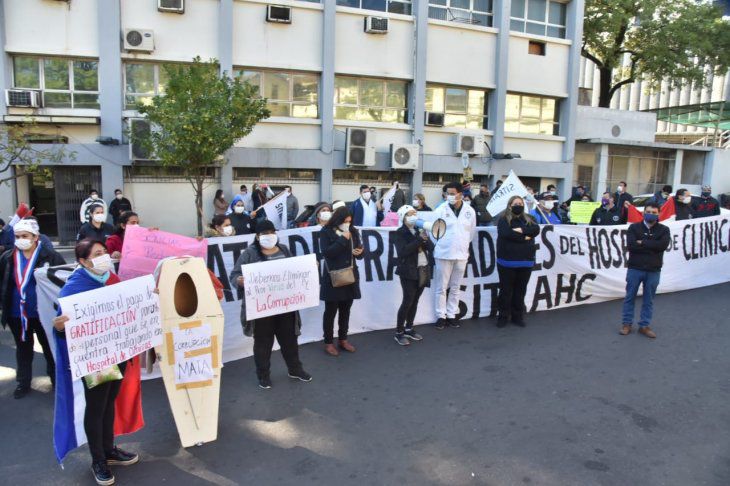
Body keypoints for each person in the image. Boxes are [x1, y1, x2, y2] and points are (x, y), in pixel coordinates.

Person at [52, 240, 140, 485]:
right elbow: (63, 327)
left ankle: (109, 450)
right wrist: (60, 327)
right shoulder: (74, 288)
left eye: (105, 252)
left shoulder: (112, 279)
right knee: (96, 406)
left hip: (117, 352)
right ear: (83, 261)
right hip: (96, 358)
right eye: (98, 254)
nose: (105, 257)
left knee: (110, 401)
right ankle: (98, 460)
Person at [229, 220, 312, 389]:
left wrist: (309, 267)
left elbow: (295, 270)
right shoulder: (249, 254)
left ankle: (295, 369)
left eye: (272, 232)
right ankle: (263, 375)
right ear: (257, 236)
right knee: (263, 344)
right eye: (265, 233)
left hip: (285, 307)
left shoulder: (284, 250)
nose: (269, 236)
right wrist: (239, 280)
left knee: (290, 340)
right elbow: (234, 275)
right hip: (261, 310)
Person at [0, 218, 65, 399]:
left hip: (44, 313)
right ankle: (23, 383)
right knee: (23, 348)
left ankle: (56, 380)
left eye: (25, 236)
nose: (21, 240)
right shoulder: (7, 258)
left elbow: (63, 280)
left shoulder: (50, 256)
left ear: (36, 237)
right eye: (17, 236)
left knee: (49, 347)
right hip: (17, 314)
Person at [620, 202, 671, 338]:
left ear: (659, 214)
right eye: (648, 212)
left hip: (654, 270)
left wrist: (642, 242)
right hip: (635, 268)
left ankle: (644, 325)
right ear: (643, 213)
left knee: (649, 300)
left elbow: (662, 246)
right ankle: (626, 324)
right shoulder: (634, 228)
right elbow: (631, 246)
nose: (651, 214)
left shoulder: (664, 230)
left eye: (654, 213)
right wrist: (653, 245)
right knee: (630, 297)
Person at [319, 207, 364, 356]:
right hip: (333, 277)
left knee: (346, 310)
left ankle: (343, 339)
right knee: (330, 312)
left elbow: (359, 252)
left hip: (350, 276)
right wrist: (343, 239)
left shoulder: (354, 231)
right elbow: (328, 253)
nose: (347, 224)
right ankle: (328, 342)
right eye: (344, 221)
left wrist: (360, 252)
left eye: (349, 221)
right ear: (337, 220)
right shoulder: (326, 232)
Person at [432, 182, 477, 329]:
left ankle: (451, 314)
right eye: (447, 194)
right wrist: (444, 244)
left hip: (461, 254)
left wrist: (461, 244)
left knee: (455, 287)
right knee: (441, 287)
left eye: (452, 193)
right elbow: (433, 233)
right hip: (444, 254)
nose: (449, 196)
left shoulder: (470, 211)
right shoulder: (440, 210)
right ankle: (441, 315)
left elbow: (471, 233)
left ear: (460, 194)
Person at [496, 196, 540, 327]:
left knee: (520, 291)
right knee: (505, 291)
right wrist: (525, 237)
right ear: (510, 205)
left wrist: (521, 230)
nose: (519, 205)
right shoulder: (503, 219)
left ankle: (517, 316)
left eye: (520, 203)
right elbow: (506, 234)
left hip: (525, 261)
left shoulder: (529, 218)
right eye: (516, 203)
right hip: (507, 261)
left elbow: (535, 230)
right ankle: (503, 316)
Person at [393, 205, 434, 346]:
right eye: (409, 214)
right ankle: (399, 332)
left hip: (422, 270)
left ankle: (409, 328)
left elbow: (431, 248)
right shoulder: (400, 232)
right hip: (408, 272)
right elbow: (403, 252)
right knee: (407, 301)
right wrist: (419, 240)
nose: (413, 216)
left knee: (415, 301)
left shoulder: (419, 231)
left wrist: (426, 239)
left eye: (414, 213)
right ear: (403, 217)